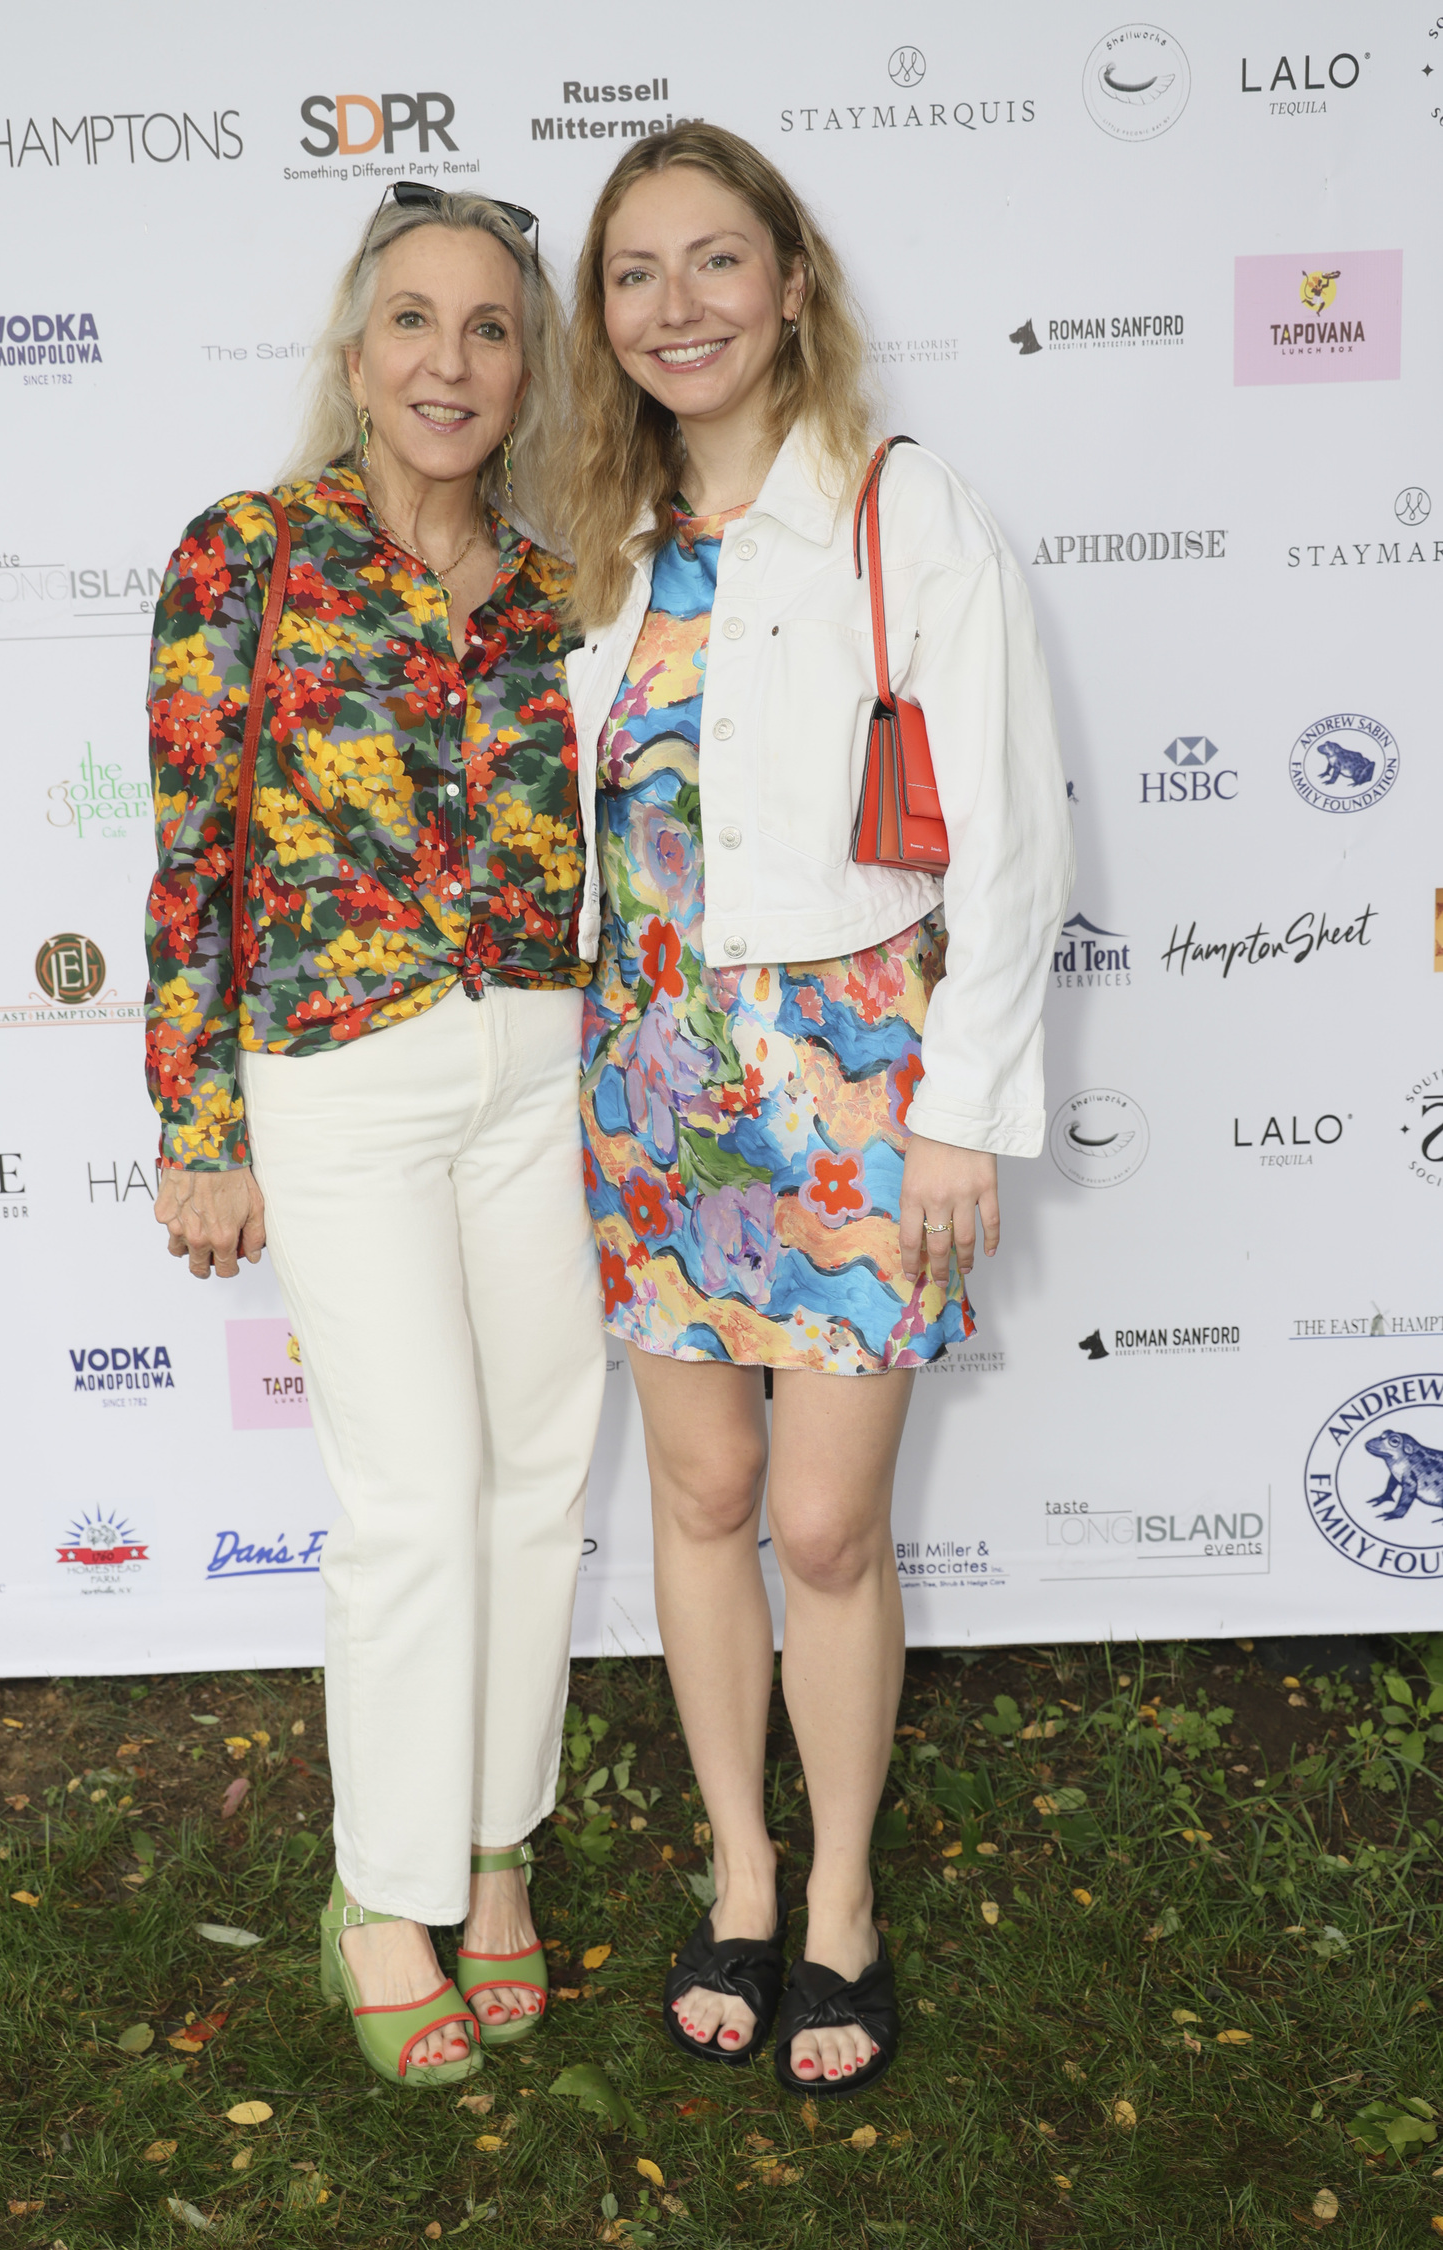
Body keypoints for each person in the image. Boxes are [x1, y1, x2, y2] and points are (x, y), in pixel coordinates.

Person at [565, 125, 1073, 2097]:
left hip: (858, 1082)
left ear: (790, 280)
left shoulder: (897, 508)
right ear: (603, 315)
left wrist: (963, 1117)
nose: (675, 307)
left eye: (714, 263)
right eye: (634, 274)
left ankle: (846, 1894)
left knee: (824, 1521)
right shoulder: (591, 535)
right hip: (647, 1082)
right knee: (697, 1500)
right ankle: (743, 1869)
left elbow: (1010, 838)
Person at [143, 186, 604, 2086]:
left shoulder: (562, 582)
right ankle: (382, 1884)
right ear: (354, 359)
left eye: (489, 329)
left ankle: (494, 1843)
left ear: (525, 372)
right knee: (412, 1492)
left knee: (535, 1477)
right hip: (338, 1069)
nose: (449, 360)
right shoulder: (245, 555)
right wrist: (199, 1122)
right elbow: (192, 858)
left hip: (537, 1059)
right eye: (413, 322)